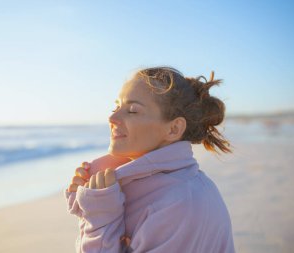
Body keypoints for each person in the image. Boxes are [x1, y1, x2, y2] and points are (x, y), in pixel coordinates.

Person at [65, 66, 235, 252]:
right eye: (116, 106)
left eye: (132, 110)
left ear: (173, 129)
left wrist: (100, 217)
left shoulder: (180, 204)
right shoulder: (140, 186)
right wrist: (89, 206)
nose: (112, 117)